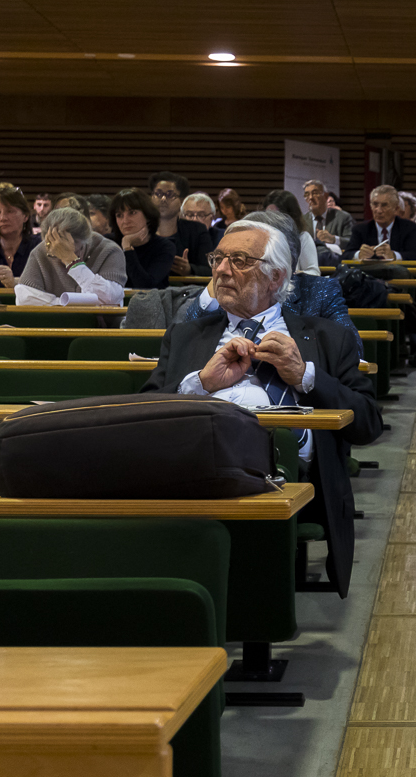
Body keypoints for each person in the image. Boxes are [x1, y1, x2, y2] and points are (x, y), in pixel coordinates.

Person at [141, 219, 383, 590]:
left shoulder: (327, 338)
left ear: (276, 277)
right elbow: (141, 415)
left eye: (239, 260)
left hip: (290, 474)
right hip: (195, 469)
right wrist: (201, 384)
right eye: (218, 258)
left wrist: (304, 375)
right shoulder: (187, 335)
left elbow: (367, 424)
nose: (222, 270)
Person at [227, 209, 360, 354]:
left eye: (240, 258)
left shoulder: (319, 292)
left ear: (278, 265)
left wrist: (302, 364)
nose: (225, 267)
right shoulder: (223, 293)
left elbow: (352, 350)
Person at [14, 207, 127, 306]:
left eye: (74, 250)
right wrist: (65, 304)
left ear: (86, 241)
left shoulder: (109, 250)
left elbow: (110, 300)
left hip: (101, 323)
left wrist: (72, 261)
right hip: (53, 322)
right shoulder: (41, 250)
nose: (61, 254)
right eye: (57, 251)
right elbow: (24, 298)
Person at [105, 188, 175, 289]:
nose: (125, 221)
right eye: (119, 215)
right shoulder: (108, 243)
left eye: (132, 213)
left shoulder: (164, 247)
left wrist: (127, 248)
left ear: (148, 215)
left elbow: (145, 286)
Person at [147, 170, 213, 278]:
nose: (163, 199)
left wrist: (190, 269)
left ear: (181, 201)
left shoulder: (197, 230)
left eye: (169, 195)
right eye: (158, 194)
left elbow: (210, 269)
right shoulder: (141, 229)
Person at [349, 185, 416, 262]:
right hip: (369, 269)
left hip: (398, 269)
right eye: (375, 204)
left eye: (384, 205)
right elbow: (346, 255)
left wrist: (394, 255)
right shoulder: (360, 229)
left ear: (396, 209)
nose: (379, 211)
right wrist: (358, 254)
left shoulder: (409, 228)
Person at [261, 189, 322, 275]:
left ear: (290, 216)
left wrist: (295, 275)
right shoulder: (263, 238)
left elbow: (314, 272)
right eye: (268, 215)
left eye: (276, 215)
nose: (271, 220)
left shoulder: (302, 237)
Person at [304, 179, 354, 256]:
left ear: (325, 196)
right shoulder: (302, 220)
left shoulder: (343, 217)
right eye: (307, 194)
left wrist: (333, 239)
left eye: (315, 193)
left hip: (336, 261)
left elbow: (352, 242)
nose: (310, 197)